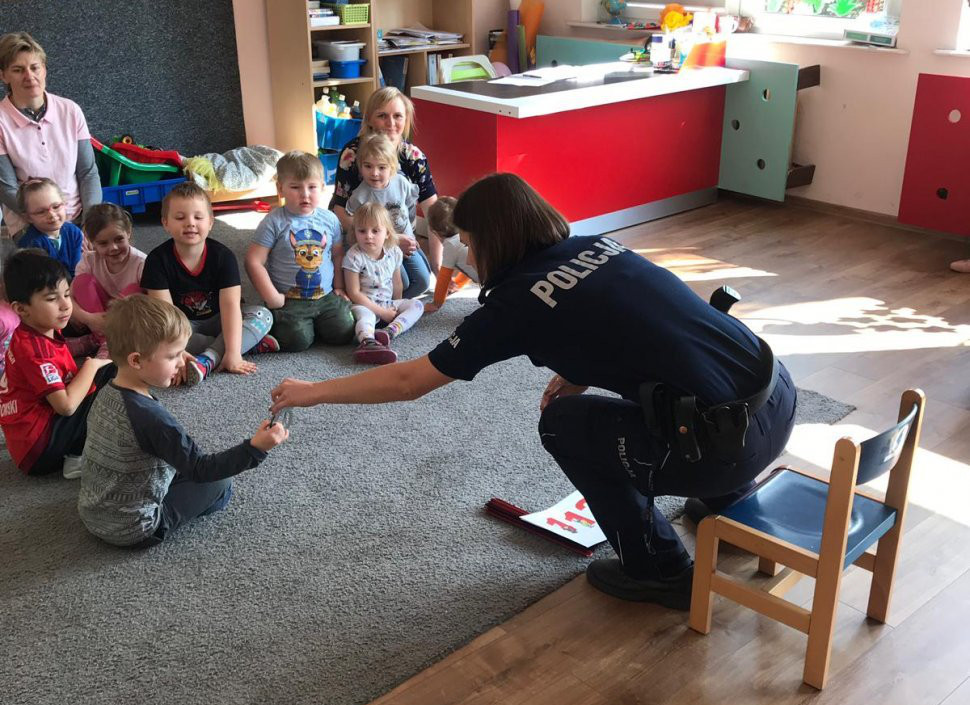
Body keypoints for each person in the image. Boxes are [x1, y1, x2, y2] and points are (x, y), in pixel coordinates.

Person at [272, 173, 797, 611]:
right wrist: (581, 367)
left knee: (563, 424)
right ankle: (729, 503)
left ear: (493, 241)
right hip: (774, 400)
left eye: (471, 242)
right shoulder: (598, 244)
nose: (469, 252)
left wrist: (315, 391)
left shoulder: (515, 304)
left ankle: (659, 570)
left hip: (724, 447)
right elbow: (642, 325)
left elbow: (411, 381)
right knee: (659, 384)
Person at [77, 294, 289, 548]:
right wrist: (256, 448)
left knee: (176, 467)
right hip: (131, 528)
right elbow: (201, 468)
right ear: (136, 360)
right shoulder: (152, 419)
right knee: (222, 486)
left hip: (91, 511)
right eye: (173, 356)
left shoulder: (106, 389)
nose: (184, 362)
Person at [142, 182, 277, 386]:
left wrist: (233, 354)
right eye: (180, 217)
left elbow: (231, 307)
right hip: (184, 329)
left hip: (220, 319)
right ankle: (247, 343)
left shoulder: (224, 256)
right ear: (165, 223)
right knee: (151, 337)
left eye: (198, 217)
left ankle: (209, 359)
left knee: (262, 315)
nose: (190, 223)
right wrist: (179, 355)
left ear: (211, 222)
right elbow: (166, 316)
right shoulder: (156, 260)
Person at [0, 249, 115, 477]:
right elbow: (66, 406)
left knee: (106, 371)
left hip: (32, 439)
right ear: (21, 309)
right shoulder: (35, 350)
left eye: (67, 294)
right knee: (112, 373)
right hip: (40, 451)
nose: (65, 305)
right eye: (52, 299)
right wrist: (91, 366)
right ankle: (76, 457)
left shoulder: (35, 332)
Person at [329, 87, 439, 297]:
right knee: (387, 278)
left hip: (400, 232)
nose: (391, 123)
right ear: (369, 118)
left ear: (406, 119)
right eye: (382, 116)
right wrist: (391, 239)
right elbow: (341, 213)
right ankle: (367, 301)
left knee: (421, 282)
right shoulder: (352, 154)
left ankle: (380, 301)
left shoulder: (414, 157)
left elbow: (435, 214)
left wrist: (439, 266)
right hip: (362, 233)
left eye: (397, 116)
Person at [245, 151, 354, 353]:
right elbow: (253, 261)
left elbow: (338, 254)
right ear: (281, 188)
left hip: (326, 294)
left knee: (344, 332)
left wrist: (339, 286)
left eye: (312, 187)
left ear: (322, 187)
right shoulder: (273, 222)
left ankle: (317, 323)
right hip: (289, 298)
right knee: (297, 340)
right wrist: (272, 297)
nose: (305, 194)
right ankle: (274, 324)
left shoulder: (329, 219)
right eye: (295, 187)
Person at [0, 32, 100, 237]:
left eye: (35, 67)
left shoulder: (71, 110)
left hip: (78, 215)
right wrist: (48, 220)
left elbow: (88, 173)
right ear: (3, 76)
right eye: (18, 70)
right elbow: (7, 189)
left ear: (44, 69)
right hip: (29, 221)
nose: (29, 76)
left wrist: (91, 221)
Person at [343, 202, 424, 364]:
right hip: (364, 305)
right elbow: (354, 293)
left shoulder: (393, 252)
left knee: (416, 305)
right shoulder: (353, 256)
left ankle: (390, 331)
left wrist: (396, 307)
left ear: (387, 233)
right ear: (355, 233)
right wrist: (382, 312)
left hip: (386, 303)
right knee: (366, 317)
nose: (368, 236)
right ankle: (368, 342)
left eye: (375, 230)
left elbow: (397, 283)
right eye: (362, 231)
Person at [70, 202, 147, 358]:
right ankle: (101, 340)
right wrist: (88, 319)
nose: (113, 248)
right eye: (103, 243)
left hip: (129, 323)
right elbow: (69, 297)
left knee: (135, 290)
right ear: (91, 242)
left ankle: (105, 342)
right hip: (96, 320)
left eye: (119, 239)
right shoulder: (88, 260)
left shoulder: (142, 263)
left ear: (129, 232)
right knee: (81, 282)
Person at [345, 133, 419, 239]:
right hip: (378, 246)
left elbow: (410, 206)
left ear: (392, 167)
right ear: (360, 166)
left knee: (420, 256)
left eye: (382, 167)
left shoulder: (401, 183)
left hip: (407, 240)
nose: (374, 173)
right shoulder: (359, 196)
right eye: (368, 166)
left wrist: (412, 232)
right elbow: (353, 223)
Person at [15, 177, 83, 277]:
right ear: (28, 217)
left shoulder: (74, 232)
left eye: (56, 207)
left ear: (64, 203)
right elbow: (45, 281)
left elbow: (77, 269)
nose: (51, 214)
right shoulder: (31, 244)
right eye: (41, 212)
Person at [424, 196, 479, 314]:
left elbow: (444, 277)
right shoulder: (469, 235)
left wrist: (436, 303)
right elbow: (468, 268)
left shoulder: (450, 246)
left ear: (434, 232)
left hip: (495, 284)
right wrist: (458, 284)